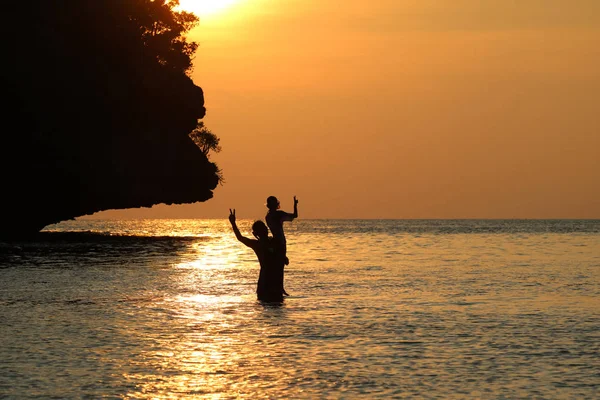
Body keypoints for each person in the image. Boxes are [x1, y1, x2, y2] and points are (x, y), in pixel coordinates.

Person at [228, 208, 284, 303]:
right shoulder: (257, 244)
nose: (265, 231)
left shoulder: (273, 241)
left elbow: (279, 255)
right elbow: (240, 238)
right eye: (262, 230)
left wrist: (283, 258)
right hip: (265, 280)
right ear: (256, 233)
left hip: (275, 281)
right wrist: (233, 224)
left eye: (265, 228)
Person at [265, 195, 298, 296]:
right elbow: (294, 216)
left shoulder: (272, 215)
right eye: (272, 203)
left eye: (275, 202)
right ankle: (279, 288)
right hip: (278, 242)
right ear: (269, 205)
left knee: (279, 266)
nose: (275, 204)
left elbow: (294, 216)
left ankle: (279, 287)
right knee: (278, 266)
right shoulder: (274, 215)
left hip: (279, 242)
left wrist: (295, 205)